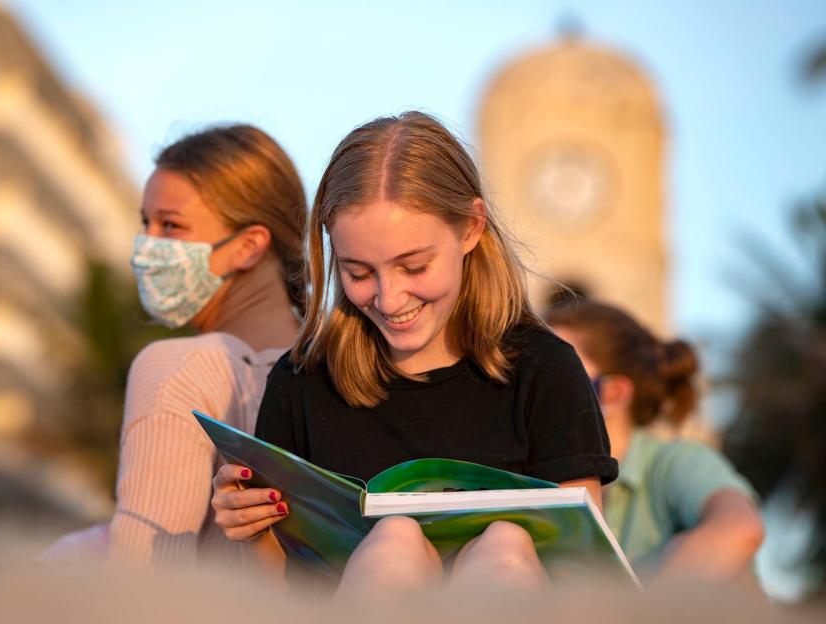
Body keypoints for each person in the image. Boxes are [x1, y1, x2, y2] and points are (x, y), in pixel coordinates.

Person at [209, 112, 618, 597]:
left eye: (414, 266)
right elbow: (277, 599)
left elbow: (583, 577)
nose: (389, 298)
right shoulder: (302, 382)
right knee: (394, 541)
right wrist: (252, 530)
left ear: (471, 227)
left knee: (505, 545)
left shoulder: (544, 370)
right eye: (359, 273)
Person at [39, 125, 308, 568]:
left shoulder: (178, 368)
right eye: (146, 224)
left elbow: (145, 579)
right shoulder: (345, 367)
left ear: (248, 246)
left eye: (171, 225)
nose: (146, 249)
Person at [545, 300, 764, 582]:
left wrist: (637, 613)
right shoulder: (540, 482)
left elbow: (740, 528)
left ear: (614, 393)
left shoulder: (675, 461)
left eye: (554, 372)